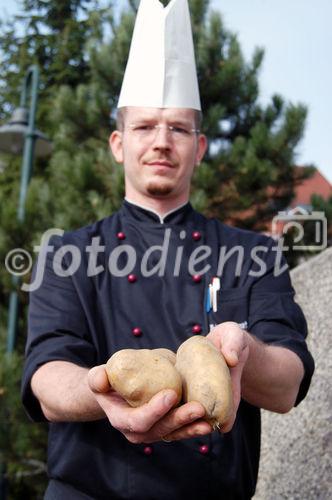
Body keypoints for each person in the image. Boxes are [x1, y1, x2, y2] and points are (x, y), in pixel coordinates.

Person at [22, 1, 314, 499]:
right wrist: (104, 390)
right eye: (144, 127)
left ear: (199, 147)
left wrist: (244, 356)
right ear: (118, 144)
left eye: (179, 128)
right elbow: (48, 377)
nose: (161, 142)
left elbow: (287, 383)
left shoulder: (254, 254)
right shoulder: (67, 253)